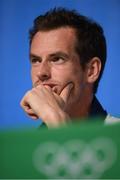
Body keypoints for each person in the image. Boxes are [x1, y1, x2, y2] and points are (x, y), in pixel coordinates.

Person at [20, 7, 119, 128]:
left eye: (57, 59)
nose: (41, 72)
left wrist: (55, 119)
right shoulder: (25, 145)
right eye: (36, 60)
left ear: (91, 70)